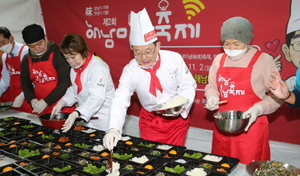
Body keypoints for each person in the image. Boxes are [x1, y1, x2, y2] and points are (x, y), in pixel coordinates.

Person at [103, 8, 196, 150]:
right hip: (150, 120)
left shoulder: (174, 58)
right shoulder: (131, 70)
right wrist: (113, 128)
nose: (144, 58)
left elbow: (188, 86)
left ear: (158, 46)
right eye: (138, 53)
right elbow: (120, 98)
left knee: (174, 158)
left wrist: (181, 104)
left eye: (148, 51)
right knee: (151, 157)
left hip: (176, 121)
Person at [204, 17, 281, 164]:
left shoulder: (263, 60)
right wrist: (212, 97)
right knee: (220, 165)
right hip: (224, 126)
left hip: (251, 127)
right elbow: (211, 86)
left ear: (247, 41)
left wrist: (259, 108)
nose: (231, 49)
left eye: (236, 44)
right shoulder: (219, 59)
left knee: (249, 167)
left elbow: (277, 96)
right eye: (226, 44)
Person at [51, 33, 115, 133]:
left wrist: (76, 113)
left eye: (73, 57)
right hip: (88, 119)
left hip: (105, 120)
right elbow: (75, 90)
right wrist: (62, 102)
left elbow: (96, 97)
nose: (70, 61)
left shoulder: (98, 68)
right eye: (66, 58)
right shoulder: (75, 68)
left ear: (83, 51)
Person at [20, 24, 74, 114]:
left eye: (39, 44)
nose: (37, 49)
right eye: (31, 46)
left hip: (61, 106)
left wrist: (46, 101)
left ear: (45, 38)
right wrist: (32, 99)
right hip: (39, 106)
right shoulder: (26, 59)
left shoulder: (59, 55)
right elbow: (25, 83)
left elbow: (65, 82)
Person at [0, 27, 32, 112]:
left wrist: (22, 95)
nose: (1, 46)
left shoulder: (25, 52)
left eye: (3, 42)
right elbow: (6, 79)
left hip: (27, 96)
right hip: (14, 96)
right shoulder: (4, 56)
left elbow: (33, 78)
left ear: (11, 38)